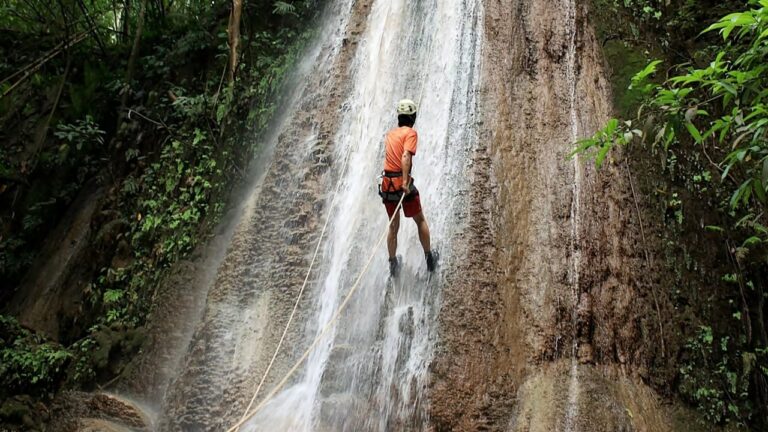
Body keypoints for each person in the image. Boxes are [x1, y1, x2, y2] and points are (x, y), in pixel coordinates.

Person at [379, 98, 438, 277]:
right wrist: (405, 183)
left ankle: (393, 264)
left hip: (387, 185)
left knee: (393, 225)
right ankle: (429, 259)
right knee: (419, 219)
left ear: (399, 116)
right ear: (413, 117)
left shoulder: (390, 134)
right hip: (400, 183)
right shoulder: (411, 133)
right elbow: (405, 156)